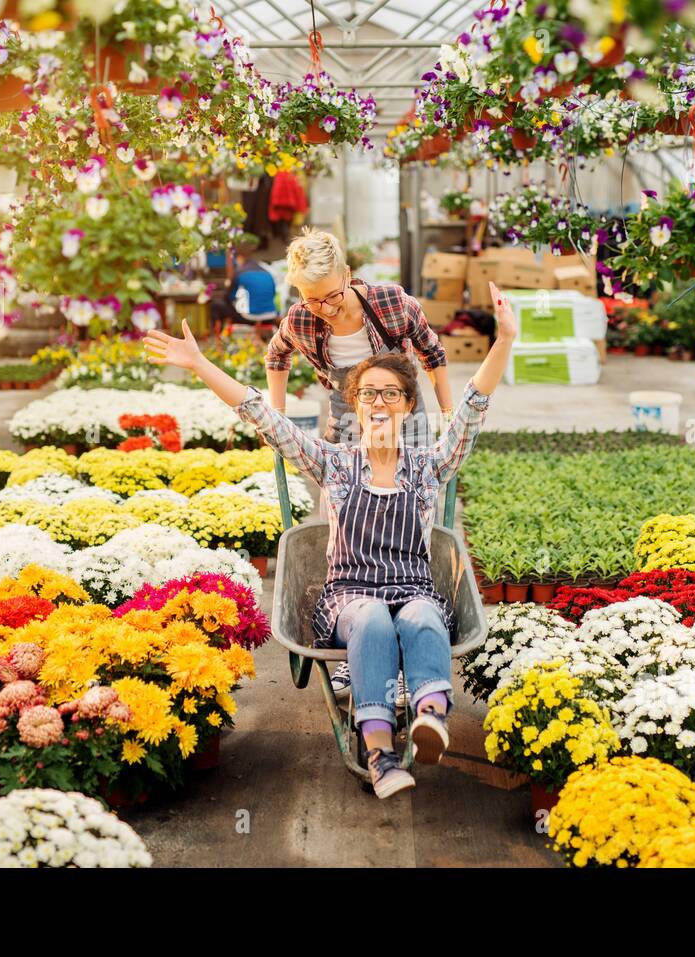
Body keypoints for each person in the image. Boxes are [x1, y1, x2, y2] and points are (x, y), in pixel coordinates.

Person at [143, 283, 517, 799]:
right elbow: (263, 415)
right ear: (356, 407)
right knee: (371, 619)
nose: (379, 402)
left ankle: (431, 715)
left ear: (408, 406)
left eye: (390, 393)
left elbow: (473, 407)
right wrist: (201, 365)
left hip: (415, 589)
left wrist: (503, 341)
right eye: (368, 394)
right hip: (348, 597)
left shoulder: (429, 465)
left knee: (422, 617)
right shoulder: (334, 464)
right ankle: (382, 751)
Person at [265, 228, 454, 449]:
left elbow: (432, 354)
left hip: (406, 427)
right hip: (346, 431)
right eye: (313, 300)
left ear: (346, 274)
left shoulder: (392, 304)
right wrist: (278, 416)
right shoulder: (301, 319)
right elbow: (276, 355)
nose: (326, 309)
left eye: (333, 295)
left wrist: (447, 414)